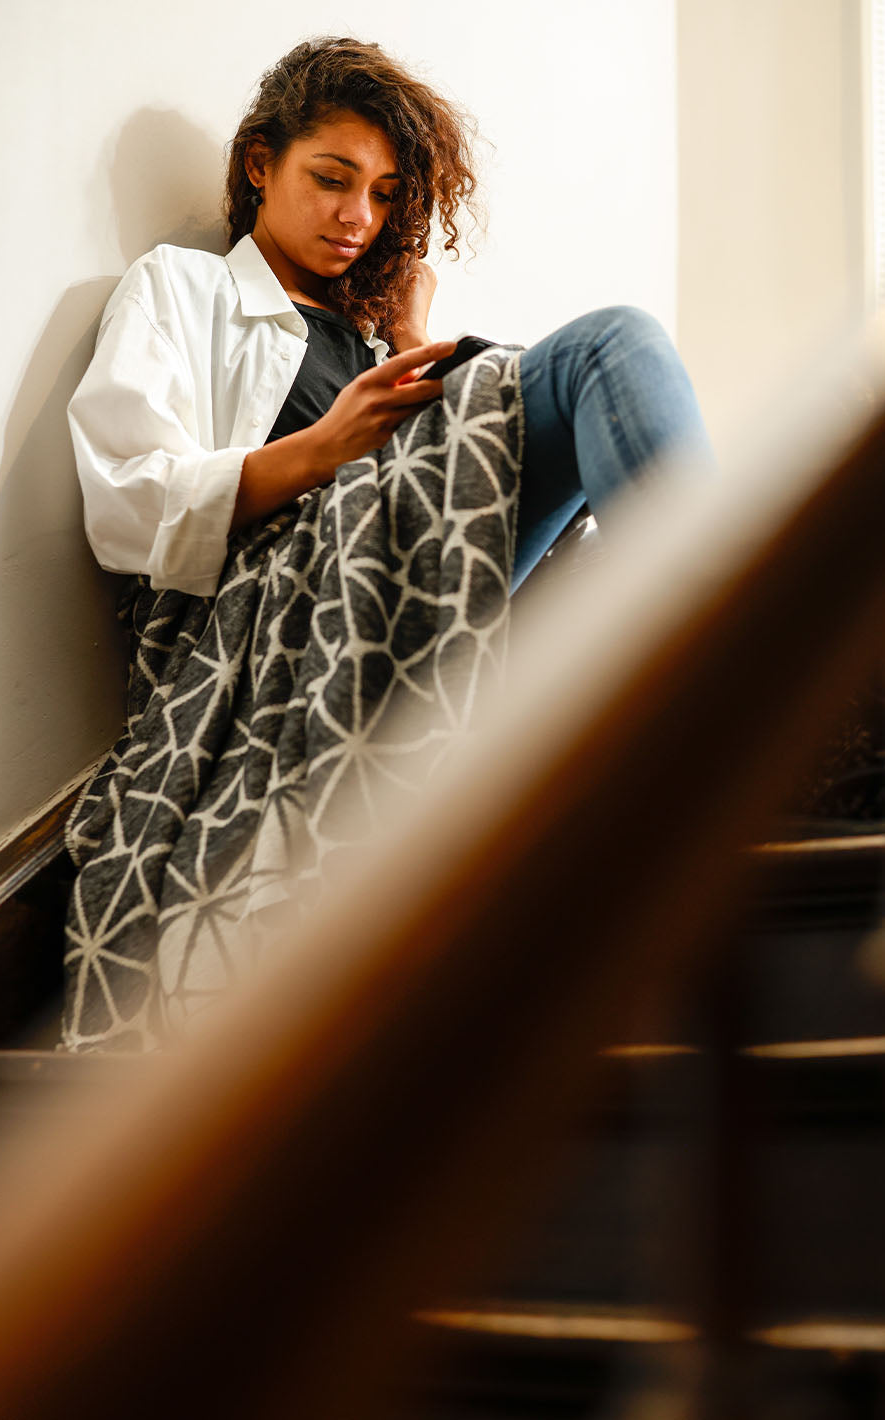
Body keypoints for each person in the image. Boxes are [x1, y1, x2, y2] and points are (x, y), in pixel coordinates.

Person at [63, 36, 712, 1051]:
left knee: (587, 448)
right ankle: (744, 660)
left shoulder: (372, 338)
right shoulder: (182, 290)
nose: (356, 217)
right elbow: (125, 501)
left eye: (383, 195)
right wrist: (323, 446)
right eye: (331, 179)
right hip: (272, 619)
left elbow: (455, 482)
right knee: (608, 349)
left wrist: (411, 340)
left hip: (399, 589)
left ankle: (724, 659)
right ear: (259, 164)